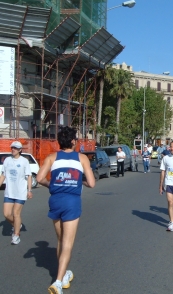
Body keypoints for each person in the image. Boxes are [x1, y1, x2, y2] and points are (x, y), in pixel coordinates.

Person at [36, 126, 95, 294]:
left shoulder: (51, 157)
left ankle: (65, 275)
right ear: (73, 141)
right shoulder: (81, 158)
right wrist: (80, 182)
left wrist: (51, 185)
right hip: (72, 202)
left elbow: (39, 178)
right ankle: (58, 282)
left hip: (55, 200)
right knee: (67, 244)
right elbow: (91, 183)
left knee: (60, 241)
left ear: (59, 142)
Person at [0, 141, 32, 245]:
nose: (13, 149)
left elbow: (29, 176)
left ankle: (16, 235)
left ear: (20, 150)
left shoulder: (24, 161)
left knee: (16, 214)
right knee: (6, 214)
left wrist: (29, 190)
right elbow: (3, 175)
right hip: (9, 192)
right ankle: (17, 225)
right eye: (12, 147)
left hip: (20, 192)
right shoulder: (7, 160)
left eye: (15, 148)